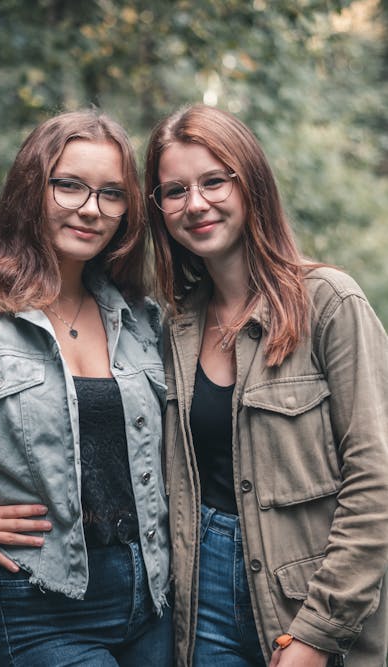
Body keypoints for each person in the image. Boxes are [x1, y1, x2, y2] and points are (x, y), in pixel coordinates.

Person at [0, 109, 172, 666]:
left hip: (156, 597)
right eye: (69, 185)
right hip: (41, 602)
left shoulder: (141, 319)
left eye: (112, 194)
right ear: (30, 188)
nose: (91, 209)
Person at [144, 103, 388, 667]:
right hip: (200, 598)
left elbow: (375, 483)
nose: (196, 204)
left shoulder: (329, 302)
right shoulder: (173, 326)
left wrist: (317, 632)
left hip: (307, 596)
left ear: (250, 182)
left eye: (213, 181)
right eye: (174, 191)